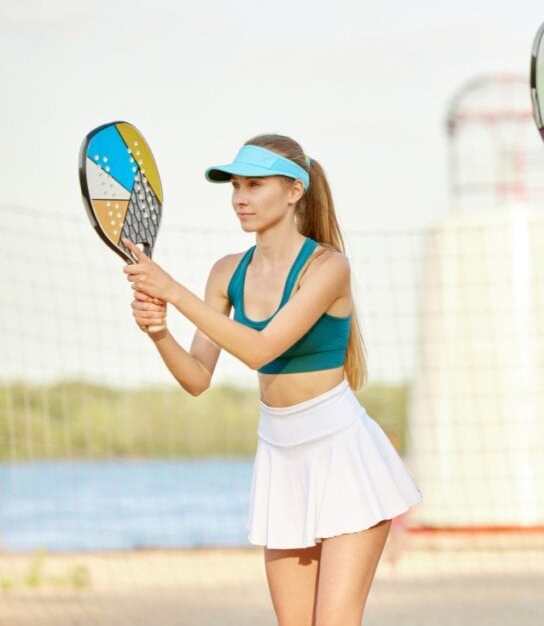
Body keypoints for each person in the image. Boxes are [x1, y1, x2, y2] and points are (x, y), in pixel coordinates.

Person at [123, 134, 421, 626]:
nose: (240, 197)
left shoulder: (327, 267)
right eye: (235, 185)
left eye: (254, 184)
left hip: (343, 454)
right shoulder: (226, 272)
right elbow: (197, 378)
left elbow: (262, 349)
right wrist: (159, 332)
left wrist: (171, 290)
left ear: (294, 191)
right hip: (281, 456)